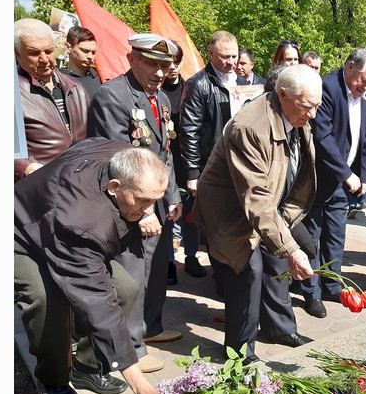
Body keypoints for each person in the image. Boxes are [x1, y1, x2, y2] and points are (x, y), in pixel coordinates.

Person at [14, 139, 168, 394]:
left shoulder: (118, 153)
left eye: (155, 200)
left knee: (124, 289)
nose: (150, 211)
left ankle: (86, 367)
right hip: (20, 235)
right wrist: (139, 384)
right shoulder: (81, 223)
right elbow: (96, 301)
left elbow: (85, 144)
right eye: (142, 201)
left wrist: (144, 210)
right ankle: (53, 380)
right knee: (47, 301)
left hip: (58, 226)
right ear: (114, 186)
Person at [191, 64, 322, 363]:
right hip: (232, 213)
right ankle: (240, 353)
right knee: (248, 272)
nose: (312, 115)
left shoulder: (296, 111)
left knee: (278, 263)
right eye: (306, 106)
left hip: (268, 206)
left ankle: (279, 329)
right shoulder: (249, 127)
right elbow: (255, 197)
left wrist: (287, 240)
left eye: (317, 106)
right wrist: (290, 248)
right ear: (282, 94)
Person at [87, 33, 184, 372]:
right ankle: (130, 349)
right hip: (128, 205)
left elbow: (164, 154)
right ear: (132, 60)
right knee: (133, 275)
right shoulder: (112, 96)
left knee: (157, 269)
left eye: (164, 65)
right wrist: (141, 212)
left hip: (156, 200)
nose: (159, 72)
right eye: (152, 64)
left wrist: (172, 196)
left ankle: (150, 328)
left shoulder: (161, 99)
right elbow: (113, 159)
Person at [297, 48, 366, 319]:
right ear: (349, 67)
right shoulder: (327, 87)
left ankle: (332, 284)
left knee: (336, 235)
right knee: (312, 235)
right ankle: (311, 292)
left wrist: (364, 175)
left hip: (345, 182)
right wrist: (347, 173)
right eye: (363, 81)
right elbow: (322, 137)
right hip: (320, 177)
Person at [179, 30, 248, 294]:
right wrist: (193, 172)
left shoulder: (244, 83)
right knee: (217, 228)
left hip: (242, 165)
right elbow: (190, 131)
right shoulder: (198, 84)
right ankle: (222, 280)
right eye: (225, 57)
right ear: (211, 54)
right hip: (213, 167)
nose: (231, 62)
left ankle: (237, 274)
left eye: (234, 56)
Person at [14, 18, 89, 181]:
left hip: (80, 186)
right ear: (17, 53)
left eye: (49, 51)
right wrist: (25, 167)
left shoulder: (76, 88)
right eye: (34, 53)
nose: (45, 59)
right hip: (38, 191)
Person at [160, 41, 204, 285]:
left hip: (187, 160)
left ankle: (191, 256)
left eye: (176, 62)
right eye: (168, 63)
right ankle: (168, 260)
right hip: (164, 162)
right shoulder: (156, 90)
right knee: (168, 212)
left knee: (190, 213)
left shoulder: (191, 88)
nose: (172, 68)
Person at [60, 25, 102, 99]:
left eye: (93, 52)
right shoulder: (57, 80)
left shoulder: (101, 79)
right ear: (68, 47)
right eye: (85, 51)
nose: (90, 56)